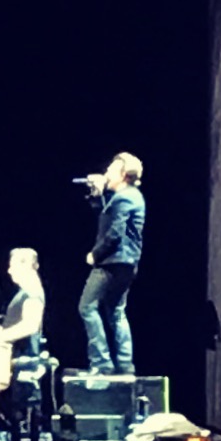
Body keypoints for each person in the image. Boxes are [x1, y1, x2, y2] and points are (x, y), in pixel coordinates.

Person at [77, 151, 145, 374]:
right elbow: (107, 218)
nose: (106, 173)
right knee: (115, 311)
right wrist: (97, 195)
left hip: (113, 262)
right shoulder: (128, 197)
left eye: (111, 170)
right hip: (125, 262)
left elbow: (115, 232)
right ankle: (125, 364)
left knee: (87, 307)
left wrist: (95, 254)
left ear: (123, 174)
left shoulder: (125, 197)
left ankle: (101, 362)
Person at [0, 247, 48, 433]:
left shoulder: (32, 293)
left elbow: (30, 325)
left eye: (12, 266)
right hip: (18, 360)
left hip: (24, 361)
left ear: (26, 265)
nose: (9, 270)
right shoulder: (26, 292)